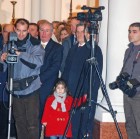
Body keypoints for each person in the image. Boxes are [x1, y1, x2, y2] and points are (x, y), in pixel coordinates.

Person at [0, 18, 45, 139]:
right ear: (14, 29)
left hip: (31, 89)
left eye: (24, 31)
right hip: (15, 89)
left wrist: (20, 54)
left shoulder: (35, 44)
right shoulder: (9, 44)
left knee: (32, 124)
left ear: (28, 31)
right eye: (18, 30)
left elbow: (37, 62)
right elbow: (3, 68)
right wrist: (2, 59)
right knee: (19, 122)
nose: (21, 34)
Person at [62, 23, 103, 139]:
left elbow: (95, 74)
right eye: (77, 32)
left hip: (85, 93)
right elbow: (66, 69)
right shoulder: (73, 48)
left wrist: (88, 92)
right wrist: (63, 87)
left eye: (82, 32)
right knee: (73, 124)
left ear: (88, 34)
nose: (80, 35)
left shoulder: (94, 50)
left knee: (84, 125)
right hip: (71, 92)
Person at [119, 22, 140, 139]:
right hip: (127, 93)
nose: (130, 34)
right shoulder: (129, 50)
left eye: (134, 31)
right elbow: (125, 69)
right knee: (130, 124)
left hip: (138, 94)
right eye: (129, 31)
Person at [39, 20, 63, 122]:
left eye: (47, 31)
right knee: (34, 117)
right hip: (31, 87)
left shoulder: (57, 48)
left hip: (47, 86)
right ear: (38, 31)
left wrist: (39, 79)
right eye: (42, 30)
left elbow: (55, 67)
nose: (44, 33)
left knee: (47, 117)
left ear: (52, 32)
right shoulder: (32, 45)